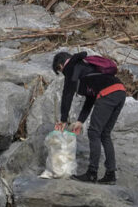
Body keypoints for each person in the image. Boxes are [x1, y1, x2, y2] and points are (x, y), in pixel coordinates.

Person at [52, 51, 126, 184]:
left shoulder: (71, 66)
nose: (62, 73)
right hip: (120, 91)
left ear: (61, 65)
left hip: (108, 93)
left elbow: (67, 94)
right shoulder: (85, 67)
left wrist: (63, 119)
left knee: (94, 132)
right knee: (105, 134)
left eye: (59, 70)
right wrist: (80, 121)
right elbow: (91, 98)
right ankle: (110, 175)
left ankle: (92, 174)